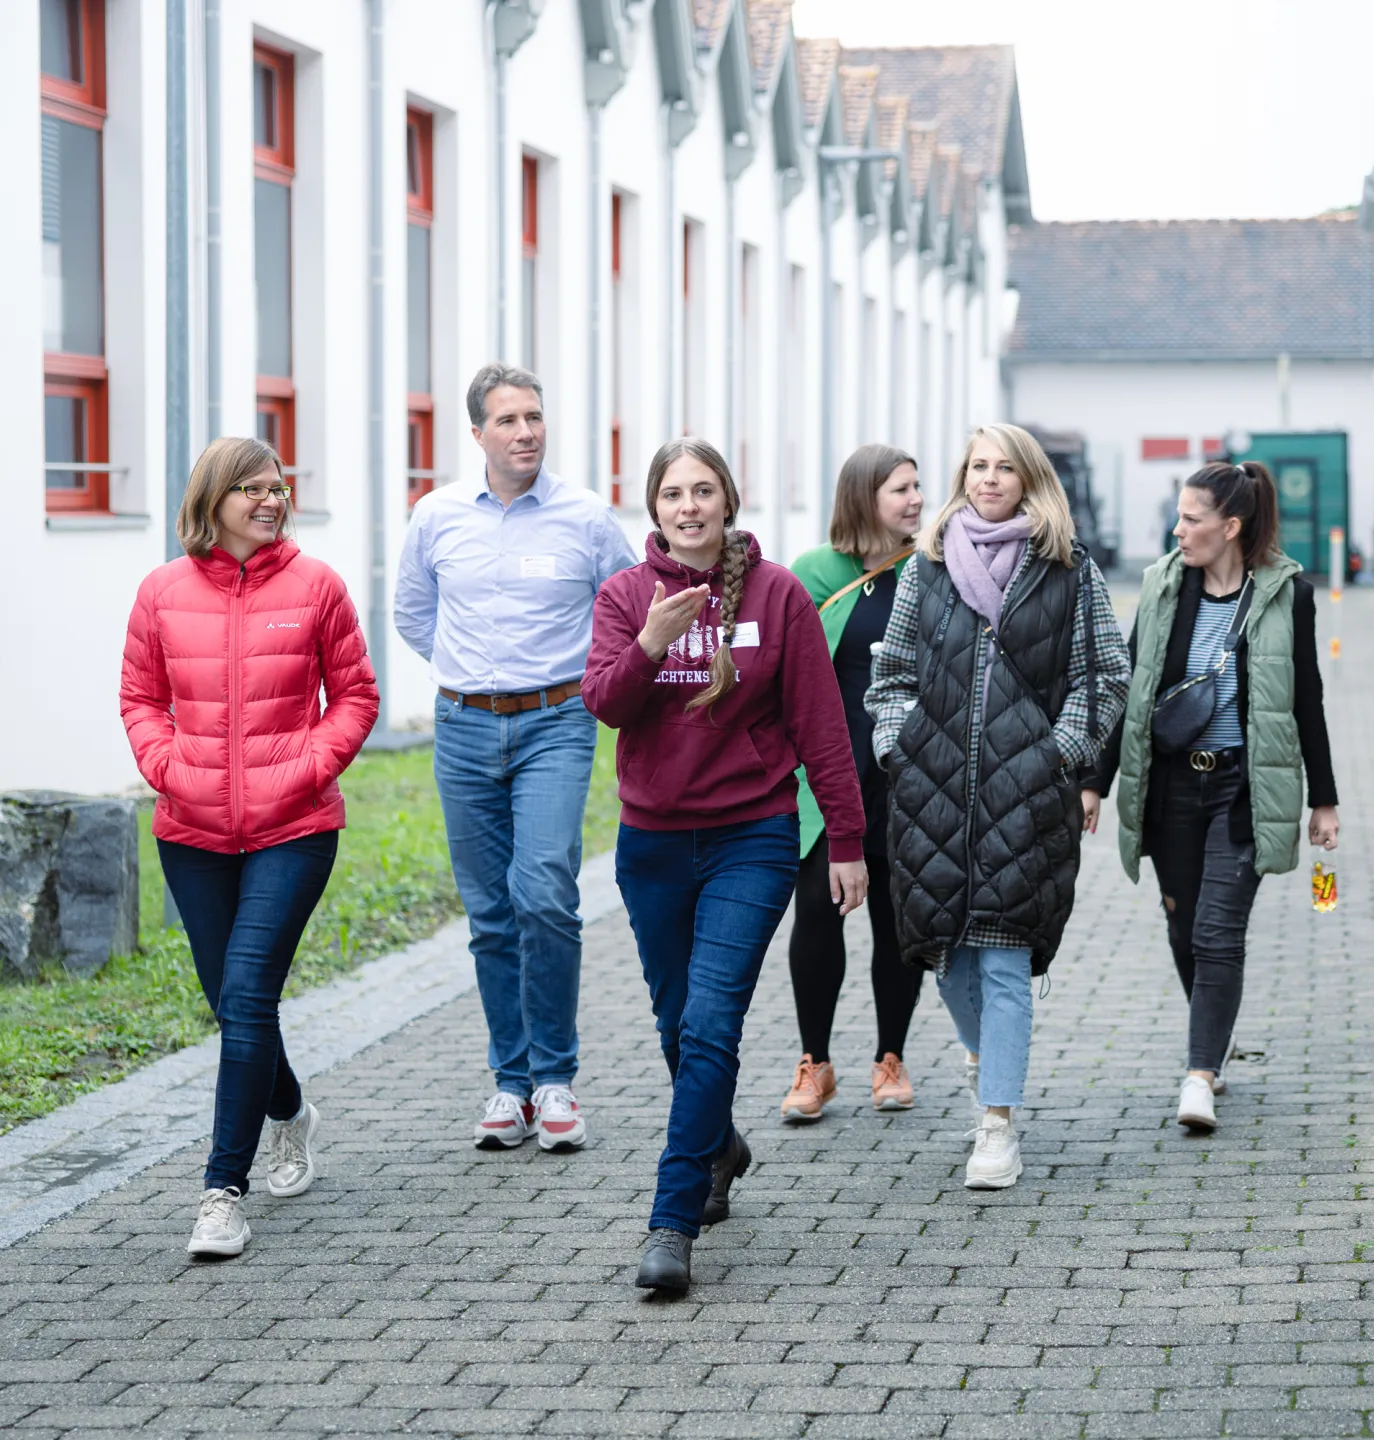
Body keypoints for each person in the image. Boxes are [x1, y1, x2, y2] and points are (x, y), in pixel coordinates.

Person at [583, 437, 868, 1295]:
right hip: (654, 844)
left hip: (753, 834)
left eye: (703, 490)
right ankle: (720, 1145)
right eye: (673, 493)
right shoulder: (626, 595)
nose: (689, 506)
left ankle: (672, 1222)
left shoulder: (778, 595)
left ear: (728, 500)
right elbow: (603, 702)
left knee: (711, 1025)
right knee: (678, 1026)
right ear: (654, 506)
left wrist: (847, 841)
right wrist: (648, 643)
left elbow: (822, 724)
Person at [119, 437, 379, 1258]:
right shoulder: (161, 591)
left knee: (247, 990)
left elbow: (358, 694)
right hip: (191, 831)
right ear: (214, 497)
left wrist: (308, 766)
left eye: (278, 488)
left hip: (294, 829)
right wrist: (167, 766)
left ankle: (220, 1192)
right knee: (234, 1006)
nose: (271, 501)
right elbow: (139, 698)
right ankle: (290, 1109)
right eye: (253, 490)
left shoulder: (316, 586)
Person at [866, 423, 1130, 1190]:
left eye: (1003, 468)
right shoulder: (929, 565)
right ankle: (990, 1062)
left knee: (1005, 957)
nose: (988, 479)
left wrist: (1059, 755)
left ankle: (997, 1125)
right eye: (977, 466)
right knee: (946, 958)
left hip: (1027, 797)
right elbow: (893, 673)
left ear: (1030, 480)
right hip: (932, 794)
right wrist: (900, 748)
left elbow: (1104, 675)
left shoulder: (1068, 571)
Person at [394, 364, 635, 1155]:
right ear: (478, 435)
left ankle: (556, 1078)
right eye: (508, 420)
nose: (525, 431)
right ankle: (511, 1083)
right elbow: (412, 613)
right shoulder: (436, 517)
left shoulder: (586, 517)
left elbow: (624, 608)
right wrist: (471, 673)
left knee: (543, 893)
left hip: (556, 722)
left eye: (534, 416)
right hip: (463, 730)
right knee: (490, 913)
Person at [1081, 461, 1339, 1133]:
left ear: (1231, 527)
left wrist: (1324, 799)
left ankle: (1199, 1074)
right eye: (1180, 515)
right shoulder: (1164, 585)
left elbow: (1304, 699)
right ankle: (1213, 1041)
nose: (1179, 529)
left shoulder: (1288, 595)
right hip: (1172, 787)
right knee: (1183, 927)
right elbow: (1132, 695)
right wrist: (1093, 782)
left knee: (1218, 931)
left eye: (1192, 519)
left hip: (1244, 788)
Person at [783, 444, 926, 1120]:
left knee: (899, 921)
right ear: (864, 496)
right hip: (827, 776)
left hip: (906, 777)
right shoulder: (815, 572)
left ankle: (889, 1056)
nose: (916, 500)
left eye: (918, 487)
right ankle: (815, 1061)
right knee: (817, 913)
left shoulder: (932, 569)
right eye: (901, 489)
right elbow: (785, 675)